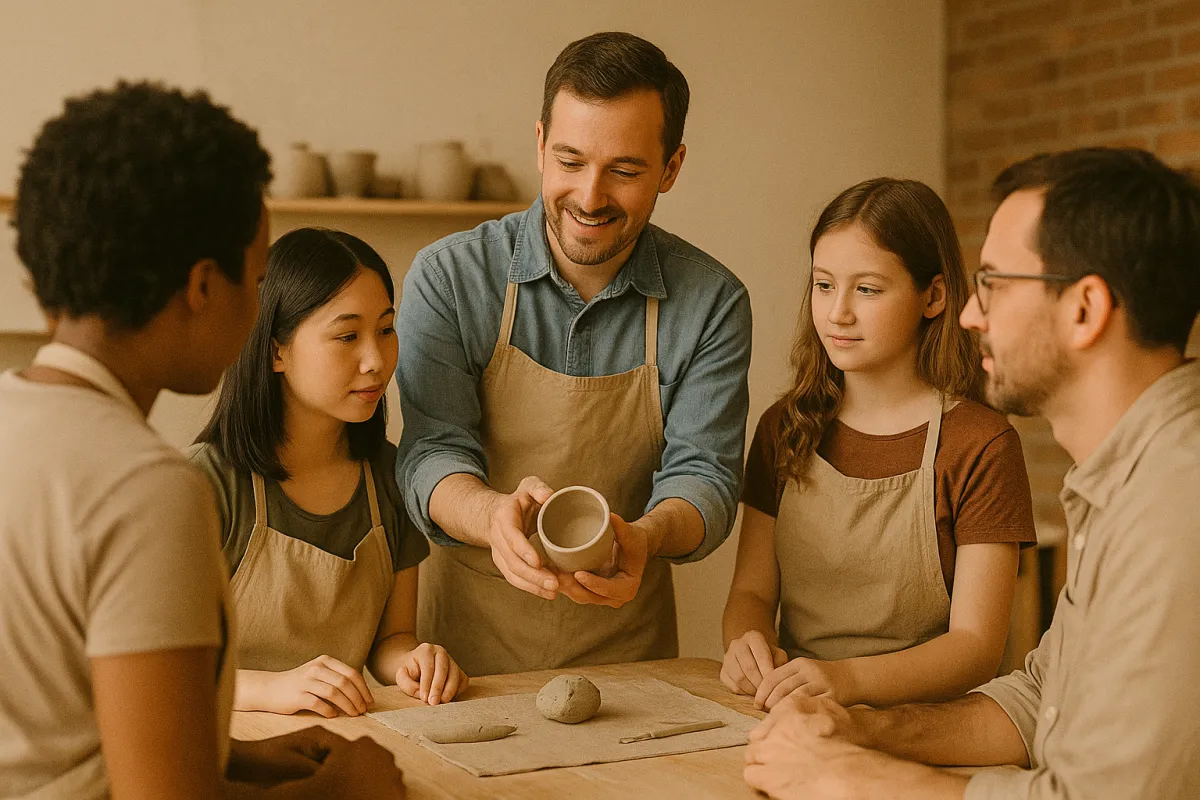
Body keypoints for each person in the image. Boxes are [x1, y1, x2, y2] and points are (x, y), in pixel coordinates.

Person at [743, 147, 1200, 800]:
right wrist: (862, 731)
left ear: (1085, 309)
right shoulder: (1128, 478)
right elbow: (1040, 700)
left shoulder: (1178, 507)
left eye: (994, 284)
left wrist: (847, 777)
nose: (969, 315)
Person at [0, 83, 405, 798]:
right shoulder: (147, 490)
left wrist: (235, 753)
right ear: (201, 286)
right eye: (254, 280)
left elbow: (61, 719)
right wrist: (349, 789)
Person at [395, 31, 752, 676]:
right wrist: (490, 516)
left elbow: (708, 478)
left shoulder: (712, 301)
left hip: (632, 662)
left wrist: (644, 538)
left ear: (671, 168)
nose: (589, 197)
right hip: (462, 667)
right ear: (538, 145)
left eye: (624, 170)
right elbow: (429, 452)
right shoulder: (450, 276)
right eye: (570, 160)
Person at [722, 178, 1035, 713]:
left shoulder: (982, 445)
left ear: (933, 296)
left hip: (935, 730)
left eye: (866, 290)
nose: (838, 312)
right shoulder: (784, 427)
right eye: (824, 285)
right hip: (798, 713)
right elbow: (751, 593)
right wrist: (746, 644)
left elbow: (976, 649)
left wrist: (846, 681)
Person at [192, 227, 468, 716]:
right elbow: (160, 674)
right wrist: (269, 690)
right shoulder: (204, 486)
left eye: (386, 330)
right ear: (276, 349)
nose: (375, 360)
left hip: (339, 745)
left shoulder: (391, 475)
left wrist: (414, 661)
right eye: (347, 336)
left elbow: (392, 638)